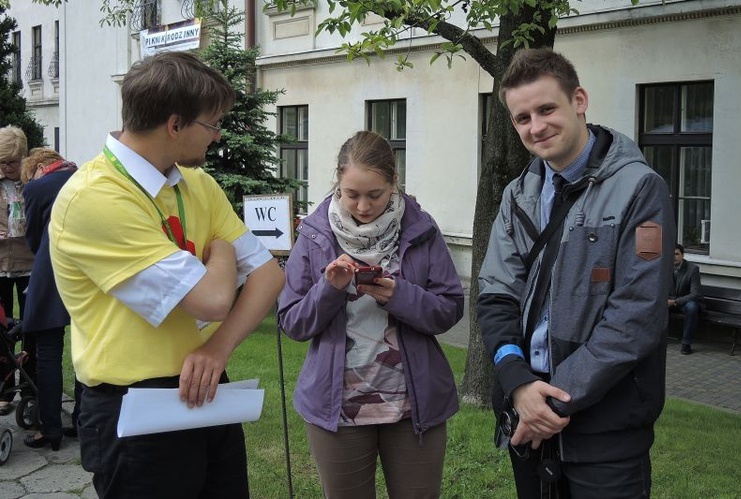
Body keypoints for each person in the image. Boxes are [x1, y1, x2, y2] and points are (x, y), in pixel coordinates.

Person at [48, 52, 285, 498]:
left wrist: (218, 348)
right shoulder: (94, 198)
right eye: (212, 125)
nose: (217, 138)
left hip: (208, 391)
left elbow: (270, 276)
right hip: (135, 408)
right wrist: (223, 251)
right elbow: (213, 299)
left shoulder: (198, 184)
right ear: (175, 124)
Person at [477, 48, 675, 498]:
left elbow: (636, 317)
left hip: (604, 430)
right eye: (522, 117)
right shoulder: (517, 194)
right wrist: (518, 383)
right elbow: (496, 294)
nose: (536, 126)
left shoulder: (640, 188)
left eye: (547, 109)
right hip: (524, 417)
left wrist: (548, 399)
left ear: (579, 100)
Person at [278, 130, 464, 498]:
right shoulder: (315, 235)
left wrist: (400, 296)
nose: (363, 206)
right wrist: (329, 289)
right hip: (338, 410)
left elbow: (450, 309)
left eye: (375, 195)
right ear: (338, 185)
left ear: (395, 182)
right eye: (352, 194)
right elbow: (292, 322)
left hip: (413, 409)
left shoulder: (421, 230)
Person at [20, 148, 80, 450]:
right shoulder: (85, 177)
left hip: (51, 273)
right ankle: (83, 420)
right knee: (89, 345)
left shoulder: (36, 187)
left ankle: (50, 429)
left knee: (48, 354)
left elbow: (31, 237)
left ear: (39, 167)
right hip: (89, 273)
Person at [0, 125, 35, 416]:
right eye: (2, 163)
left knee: (30, 327)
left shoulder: (33, 180)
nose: (8, 168)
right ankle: (3, 389)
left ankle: (29, 388)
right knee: (2, 331)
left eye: (12, 162)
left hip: (29, 265)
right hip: (0, 265)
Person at [669, 243, 703, 355]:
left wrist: (675, 302)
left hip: (685, 302)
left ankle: (686, 344)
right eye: (671, 254)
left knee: (692, 307)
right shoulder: (664, 268)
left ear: (682, 255)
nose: (673, 256)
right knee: (653, 305)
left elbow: (695, 294)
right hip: (669, 301)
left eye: (676, 254)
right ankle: (654, 340)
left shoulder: (692, 269)